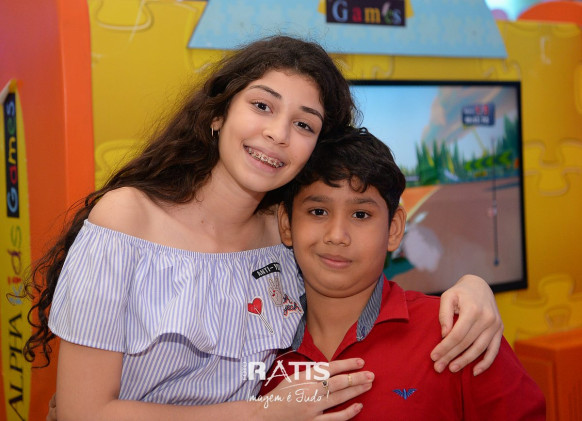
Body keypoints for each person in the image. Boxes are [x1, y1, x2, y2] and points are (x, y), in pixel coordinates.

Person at [23, 36, 502, 420]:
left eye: (304, 125)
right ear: (217, 114)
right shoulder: (128, 218)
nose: (278, 134)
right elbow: (84, 411)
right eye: (262, 106)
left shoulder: (283, 236)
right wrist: (262, 413)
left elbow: (359, 284)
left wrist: (472, 287)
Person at [261, 127, 545, 419]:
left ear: (394, 229)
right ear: (286, 224)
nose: (336, 235)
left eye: (361, 215)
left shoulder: (459, 335)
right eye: (318, 211)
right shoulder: (255, 348)